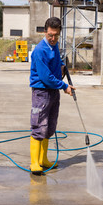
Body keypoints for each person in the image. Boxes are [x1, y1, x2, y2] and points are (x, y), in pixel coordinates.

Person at [29, 17, 75, 174]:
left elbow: (55, 69)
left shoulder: (54, 47)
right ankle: (34, 163)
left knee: (49, 126)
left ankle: (43, 159)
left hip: (53, 92)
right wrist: (64, 86)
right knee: (38, 126)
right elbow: (45, 77)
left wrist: (62, 67)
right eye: (50, 35)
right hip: (41, 92)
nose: (53, 38)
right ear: (45, 32)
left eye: (56, 35)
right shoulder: (40, 50)